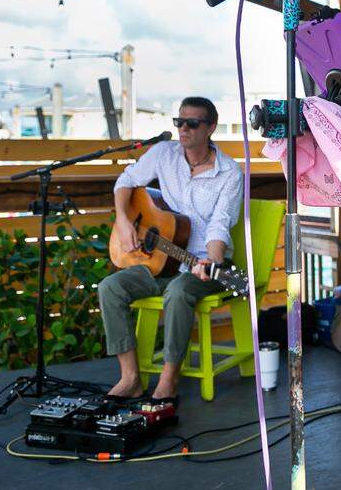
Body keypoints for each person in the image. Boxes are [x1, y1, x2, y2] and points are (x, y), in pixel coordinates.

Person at [97, 96, 244, 403]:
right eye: (179, 122)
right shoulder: (163, 154)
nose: (184, 129)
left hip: (203, 263)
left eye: (193, 123)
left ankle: (168, 378)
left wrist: (211, 260)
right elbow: (126, 181)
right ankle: (130, 378)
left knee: (178, 291)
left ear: (211, 128)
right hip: (160, 262)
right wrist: (124, 221)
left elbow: (220, 224)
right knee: (110, 287)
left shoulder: (229, 173)